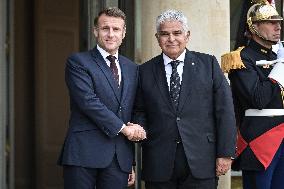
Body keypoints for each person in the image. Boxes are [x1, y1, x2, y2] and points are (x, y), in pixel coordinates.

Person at [133, 9, 237, 189]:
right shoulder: (144, 71)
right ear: (157, 37)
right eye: (165, 34)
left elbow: (225, 110)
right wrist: (141, 131)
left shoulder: (209, 64)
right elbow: (140, 110)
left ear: (187, 36)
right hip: (159, 162)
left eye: (177, 33)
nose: (171, 39)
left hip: (202, 161)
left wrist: (226, 153)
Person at [57, 7, 146, 189]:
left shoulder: (133, 68)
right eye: (105, 28)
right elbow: (88, 102)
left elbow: (134, 108)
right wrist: (123, 129)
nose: (111, 34)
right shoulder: (78, 62)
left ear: (124, 33)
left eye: (116, 29)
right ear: (96, 31)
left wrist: (131, 158)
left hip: (118, 158)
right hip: (83, 153)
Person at [222, 2, 284, 189]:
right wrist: (280, 67)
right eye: (270, 22)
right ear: (253, 26)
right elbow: (258, 99)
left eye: (279, 22)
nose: (278, 27)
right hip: (260, 140)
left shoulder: (278, 56)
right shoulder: (241, 59)